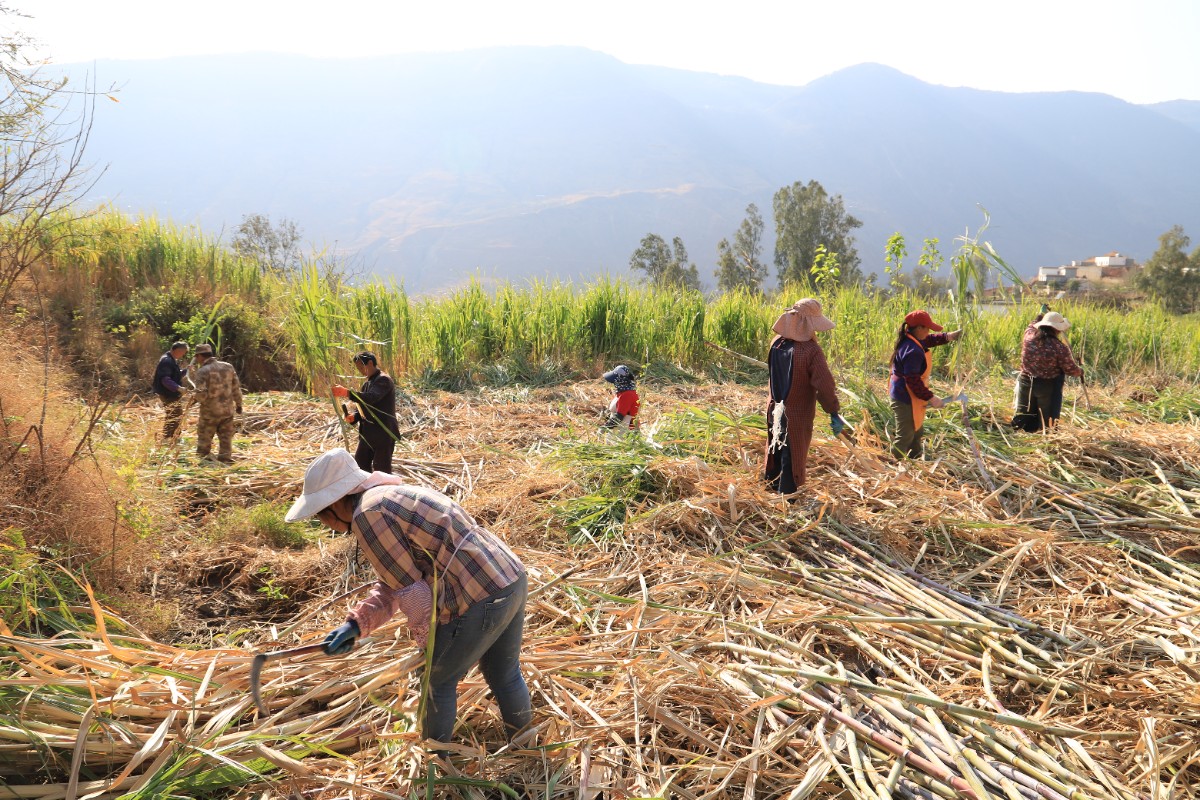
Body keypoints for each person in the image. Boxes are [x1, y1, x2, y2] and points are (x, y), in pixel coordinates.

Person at [285, 448, 531, 747]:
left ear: (336, 503)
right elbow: (395, 582)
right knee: (504, 673)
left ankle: (435, 766)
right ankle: (526, 751)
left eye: (322, 515)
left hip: (476, 593)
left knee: (436, 682)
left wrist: (428, 645)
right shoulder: (388, 497)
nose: (325, 524)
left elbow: (411, 592)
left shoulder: (369, 515)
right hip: (508, 578)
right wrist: (357, 624)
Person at [764, 298, 841, 493]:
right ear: (808, 325)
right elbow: (824, 384)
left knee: (776, 447)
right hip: (796, 414)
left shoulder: (776, 344)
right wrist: (833, 410)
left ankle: (770, 488)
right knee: (793, 454)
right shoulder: (810, 351)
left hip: (774, 409)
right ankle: (786, 498)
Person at [889, 310, 962, 459]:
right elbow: (913, 381)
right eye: (927, 328)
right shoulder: (913, 351)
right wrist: (931, 398)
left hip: (908, 393)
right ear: (919, 328)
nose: (929, 332)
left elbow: (929, 340)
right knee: (905, 435)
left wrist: (949, 336)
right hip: (905, 396)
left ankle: (915, 457)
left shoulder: (911, 338)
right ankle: (893, 464)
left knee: (917, 430)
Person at [1012, 309, 1083, 432]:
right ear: (1057, 329)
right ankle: (1046, 437)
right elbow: (1070, 370)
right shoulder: (1059, 348)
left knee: (1024, 413)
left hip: (1025, 382)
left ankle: (1021, 434)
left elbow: (1031, 325)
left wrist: (1040, 314)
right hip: (1047, 386)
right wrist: (1081, 371)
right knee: (1048, 419)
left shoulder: (1028, 337)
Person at [332, 351, 400, 474]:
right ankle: (364, 492)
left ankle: (384, 491)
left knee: (381, 469)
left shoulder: (384, 380)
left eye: (361, 366)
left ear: (370, 363)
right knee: (360, 465)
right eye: (357, 367)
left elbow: (371, 397)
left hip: (383, 433)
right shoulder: (367, 384)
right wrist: (355, 417)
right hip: (368, 434)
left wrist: (347, 393)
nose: (360, 370)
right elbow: (363, 407)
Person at [191, 343, 242, 462]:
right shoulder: (228, 367)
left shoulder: (203, 371)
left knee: (205, 437)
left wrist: (195, 400)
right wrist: (239, 405)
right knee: (226, 438)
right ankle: (225, 459)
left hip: (210, 412)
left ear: (199, 356)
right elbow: (236, 388)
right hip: (227, 410)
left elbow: (201, 394)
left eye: (196, 357)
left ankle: (203, 460)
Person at [152, 341, 190, 440]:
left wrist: (185, 371)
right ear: (177, 350)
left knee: (172, 415)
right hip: (168, 394)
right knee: (174, 416)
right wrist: (178, 388)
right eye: (183, 352)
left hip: (169, 393)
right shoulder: (167, 360)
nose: (183, 355)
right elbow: (165, 379)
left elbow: (174, 375)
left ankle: (170, 437)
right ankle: (170, 438)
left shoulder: (170, 359)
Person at [601, 364, 640, 430]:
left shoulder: (627, 395)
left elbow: (619, 417)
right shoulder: (621, 392)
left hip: (626, 432)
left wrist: (605, 428)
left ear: (620, 380)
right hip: (618, 430)